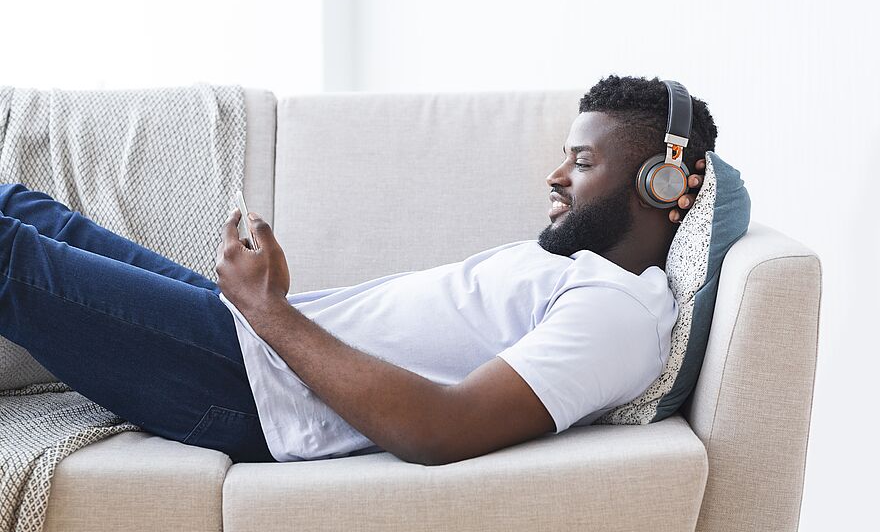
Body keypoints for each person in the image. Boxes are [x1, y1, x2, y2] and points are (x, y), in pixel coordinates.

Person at [0, 75, 716, 466]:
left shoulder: (618, 314)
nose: (556, 176)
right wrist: (266, 308)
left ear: (661, 184)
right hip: (260, 342)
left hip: (251, 387)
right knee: (28, 210)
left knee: (10, 257)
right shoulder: (582, 272)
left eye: (583, 163)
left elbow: (443, 429)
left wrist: (270, 311)